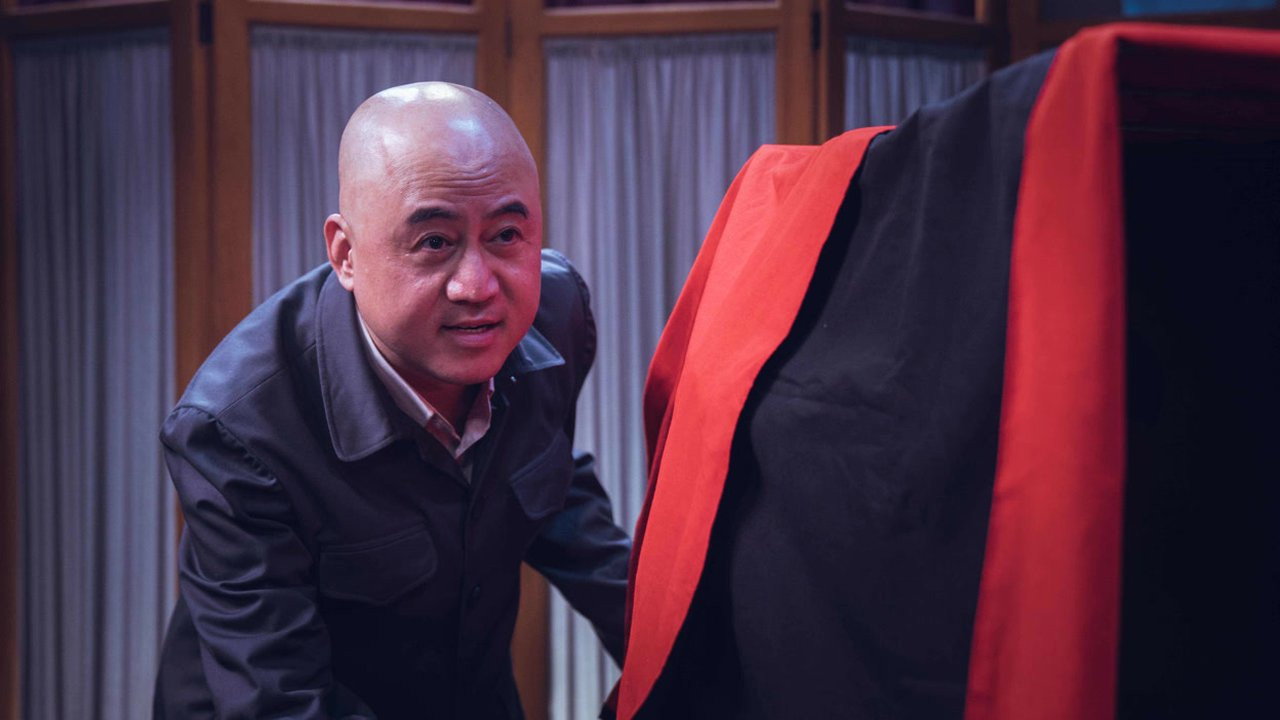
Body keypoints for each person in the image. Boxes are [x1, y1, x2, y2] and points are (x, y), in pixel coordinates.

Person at [153, 82, 630, 720]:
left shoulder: (553, 317)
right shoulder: (237, 430)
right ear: (346, 254)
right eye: (434, 243)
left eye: (506, 235)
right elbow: (281, 699)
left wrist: (685, 655)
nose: (477, 286)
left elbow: (546, 479)